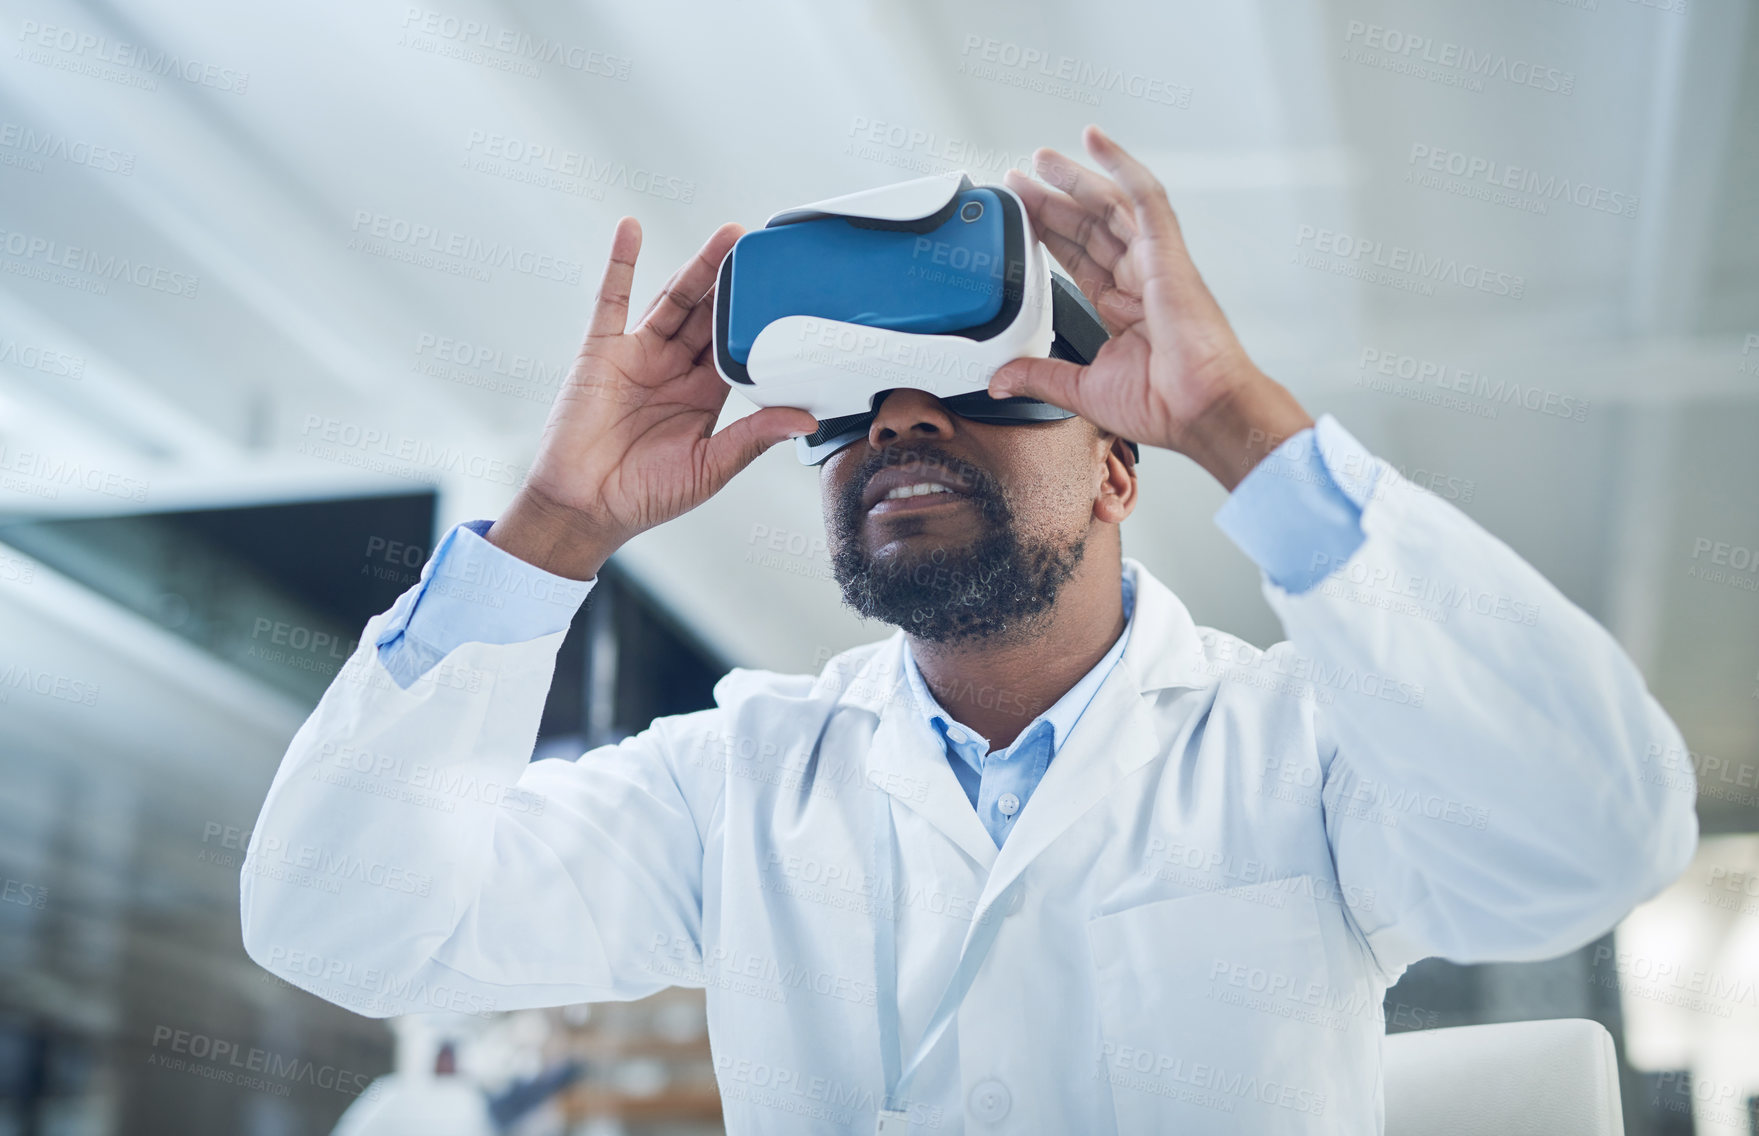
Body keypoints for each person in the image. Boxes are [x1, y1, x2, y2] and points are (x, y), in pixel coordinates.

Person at [242, 125, 1699, 1134]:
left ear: (1122, 464)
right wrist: (555, 525)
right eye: (859, 411)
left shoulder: (1298, 755)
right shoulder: (736, 782)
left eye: (979, 381)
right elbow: (348, 923)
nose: (905, 420)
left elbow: (1594, 838)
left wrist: (1246, 427)